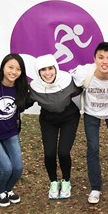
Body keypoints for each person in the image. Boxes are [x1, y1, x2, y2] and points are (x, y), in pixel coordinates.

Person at [71, 42, 108, 204]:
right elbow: (68, 79)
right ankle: (95, 187)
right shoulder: (84, 73)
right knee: (93, 147)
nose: (105, 62)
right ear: (94, 59)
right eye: (101, 57)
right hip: (91, 113)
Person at [29, 54, 81, 200]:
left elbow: (83, 87)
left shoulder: (67, 80)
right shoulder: (34, 87)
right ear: (38, 72)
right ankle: (53, 182)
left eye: (50, 68)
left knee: (63, 152)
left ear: (56, 68)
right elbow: (24, 102)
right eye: (43, 70)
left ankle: (66, 181)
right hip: (48, 120)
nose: (47, 73)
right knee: (49, 153)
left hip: (69, 117)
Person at [0, 54, 29, 207]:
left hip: (11, 133)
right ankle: (0, 191)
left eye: (18, 69)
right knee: (6, 168)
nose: (13, 72)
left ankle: (8, 189)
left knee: (17, 168)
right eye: (10, 67)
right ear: (3, 67)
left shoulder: (21, 88)